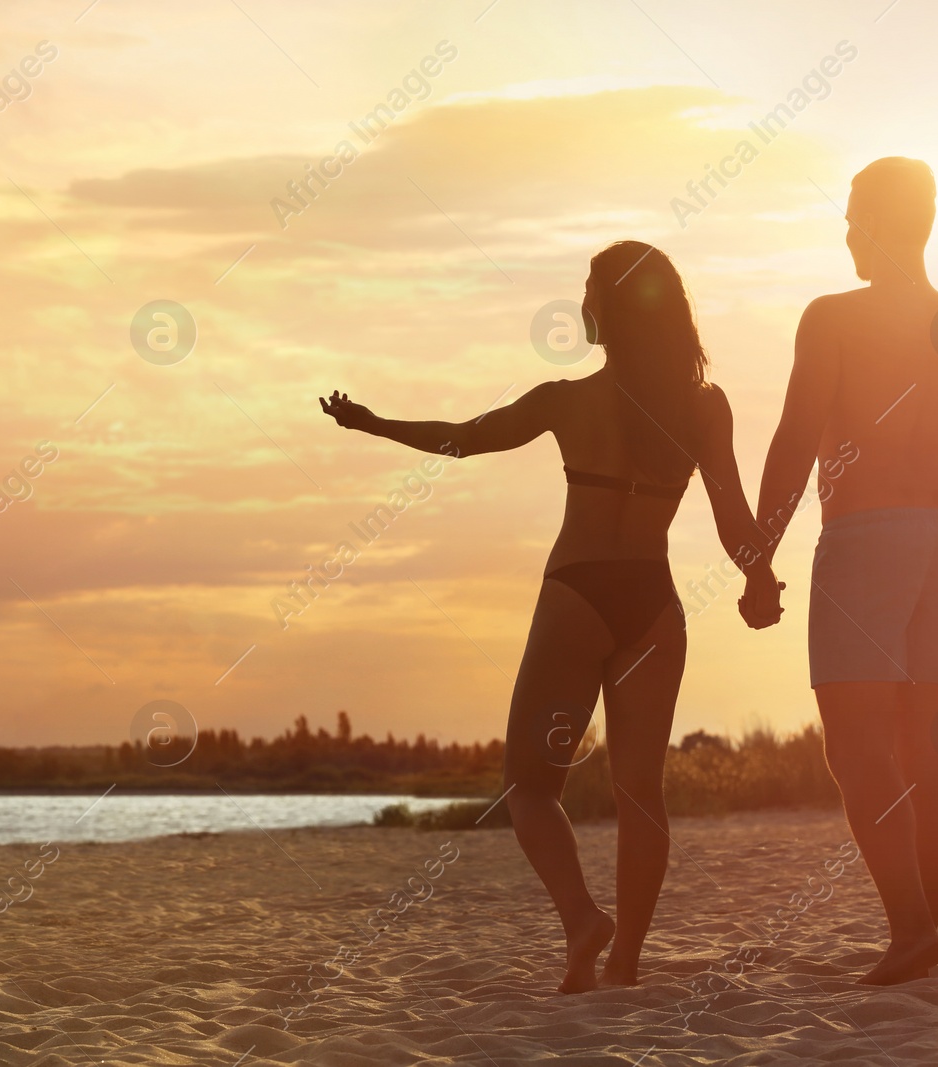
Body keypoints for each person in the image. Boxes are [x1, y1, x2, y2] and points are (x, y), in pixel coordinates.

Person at [320, 241, 781, 993]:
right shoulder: (704, 407)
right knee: (642, 792)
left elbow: (462, 438)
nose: (583, 303)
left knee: (529, 788)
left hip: (577, 596)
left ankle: (581, 921)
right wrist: (759, 572)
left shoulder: (566, 400)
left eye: (590, 289)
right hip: (654, 606)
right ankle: (626, 958)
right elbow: (732, 512)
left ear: (614, 309)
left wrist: (373, 423)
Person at [749, 157, 938, 985]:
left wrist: (758, 560)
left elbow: (794, 440)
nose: (848, 232)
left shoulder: (832, 317)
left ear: (885, 224)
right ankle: (917, 934)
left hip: (865, 536)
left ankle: (909, 930)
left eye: (856, 216)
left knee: (857, 750)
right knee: (924, 750)